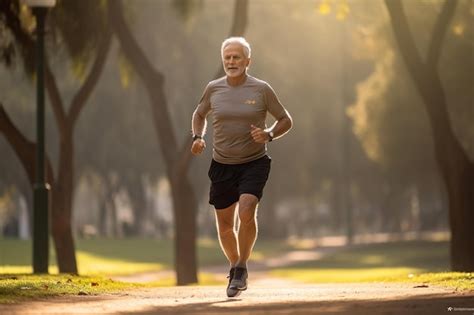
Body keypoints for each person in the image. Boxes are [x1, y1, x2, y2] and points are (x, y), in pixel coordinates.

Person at [191, 37, 293, 297]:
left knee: (246, 211)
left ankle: (242, 266)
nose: (231, 61)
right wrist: (198, 137)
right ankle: (235, 266)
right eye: (227, 57)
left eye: (237, 57)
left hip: (254, 163)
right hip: (222, 163)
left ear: (248, 61)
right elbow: (199, 114)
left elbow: (285, 119)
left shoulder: (261, 89)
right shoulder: (213, 88)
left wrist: (269, 134)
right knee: (225, 226)